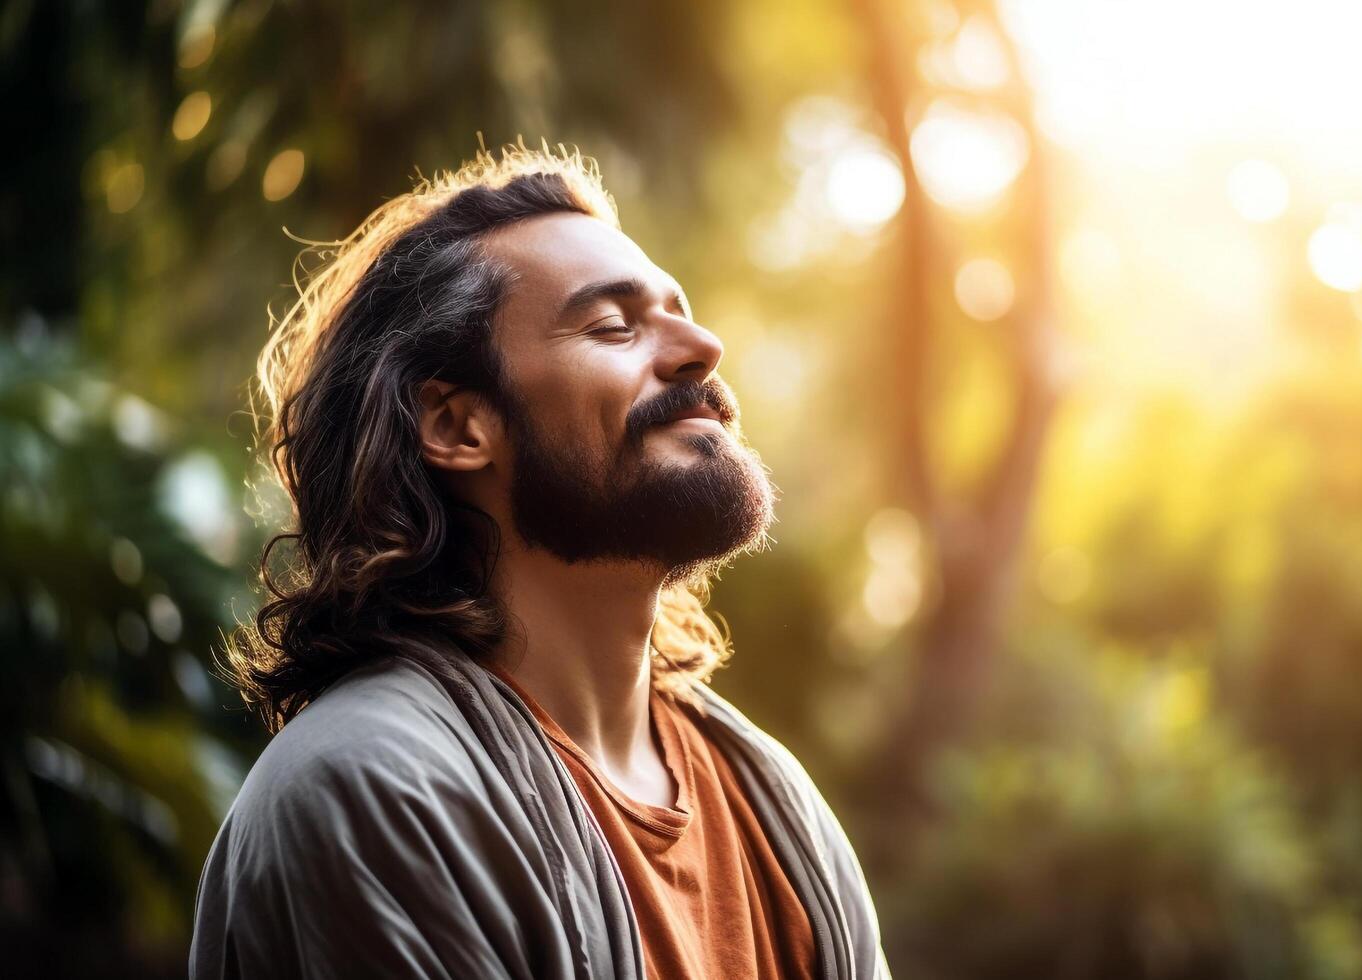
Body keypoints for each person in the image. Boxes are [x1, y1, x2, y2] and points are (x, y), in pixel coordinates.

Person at [189, 141, 891, 980]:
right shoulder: (374, 788)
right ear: (456, 427)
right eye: (612, 326)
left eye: (681, 311)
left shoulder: (774, 804)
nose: (702, 346)